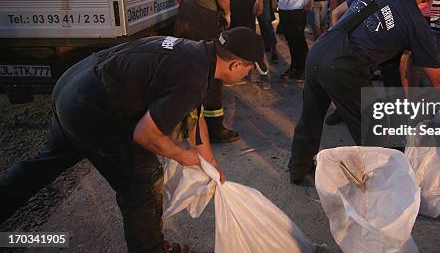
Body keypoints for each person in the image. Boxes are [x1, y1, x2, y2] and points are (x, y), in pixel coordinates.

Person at [0, 27, 267, 252]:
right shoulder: (193, 76)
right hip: (92, 106)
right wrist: (182, 155)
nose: (247, 75)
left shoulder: (198, 53)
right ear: (235, 64)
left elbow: (193, 114)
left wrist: (207, 159)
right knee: (144, 180)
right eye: (249, 70)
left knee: (44, 163)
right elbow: (145, 134)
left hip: (73, 85)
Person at [289, 0, 440, 184]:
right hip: (346, 67)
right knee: (373, 132)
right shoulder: (417, 23)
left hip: (320, 49)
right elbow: (439, 80)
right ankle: (386, 186)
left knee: (311, 116)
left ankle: (298, 169)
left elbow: (338, 13)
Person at [169, 0, 238, 143]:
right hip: (206, 21)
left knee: (186, 71)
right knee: (212, 72)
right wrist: (227, 13)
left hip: (182, 20)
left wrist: (186, 8)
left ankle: (185, 125)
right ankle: (215, 128)